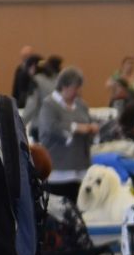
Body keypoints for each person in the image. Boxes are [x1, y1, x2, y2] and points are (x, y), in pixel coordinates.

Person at [36, 66, 97, 202]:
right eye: (75, 88)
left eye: (79, 88)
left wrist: (91, 128)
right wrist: (75, 127)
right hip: (58, 171)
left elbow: (88, 123)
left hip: (81, 168)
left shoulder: (82, 105)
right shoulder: (49, 105)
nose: (78, 92)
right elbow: (49, 128)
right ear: (64, 86)